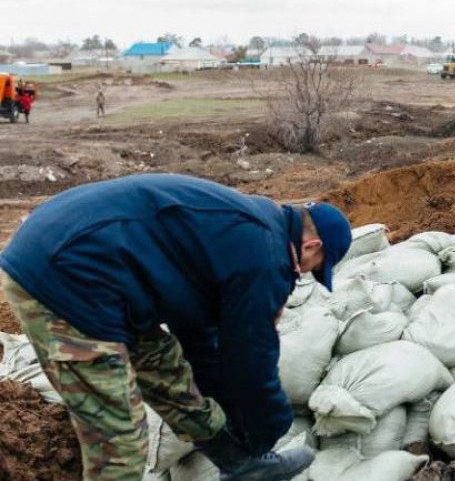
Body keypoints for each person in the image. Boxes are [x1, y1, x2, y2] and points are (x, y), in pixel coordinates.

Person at [0, 174, 353, 481]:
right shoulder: (266, 254)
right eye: (315, 267)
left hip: (86, 263)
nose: (304, 275)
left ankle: (237, 463)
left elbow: (200, 340)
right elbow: (250, 357)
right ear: (311, 245)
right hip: (65, 275)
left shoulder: (253, 231)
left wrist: (235, 424)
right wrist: (269, 427)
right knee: (118, 435)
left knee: (165, 367)